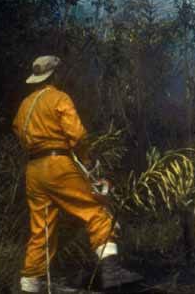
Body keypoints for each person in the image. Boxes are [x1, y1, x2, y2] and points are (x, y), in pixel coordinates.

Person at [12, 55, 138, 293]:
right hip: (57, 164)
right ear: (55, 75)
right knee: (95, 210)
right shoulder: (59, 98)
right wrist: (87, 160)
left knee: (42, 228)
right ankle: (111, 272)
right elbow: (78, 136)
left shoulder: (24, 105)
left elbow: (19, 132)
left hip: (34, 170)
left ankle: (30, 284)